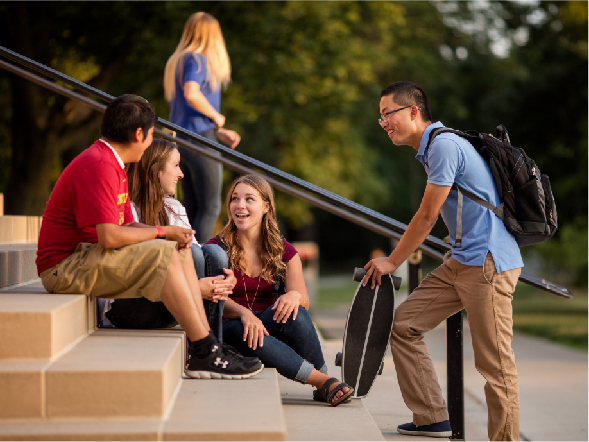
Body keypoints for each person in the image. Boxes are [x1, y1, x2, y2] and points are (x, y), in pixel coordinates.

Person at [35, 94, 262, 380]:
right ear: (138, 133)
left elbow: (128, 225)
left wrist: (173, 236)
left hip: (83, 256)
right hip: (62, 267)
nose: (151, 140)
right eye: (151, 133)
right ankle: (206, 350)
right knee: (164, 248)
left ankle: (207, 346)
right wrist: (163, 231)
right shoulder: (99, 165)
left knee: (174, 246)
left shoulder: (112, 164)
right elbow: (109, 237)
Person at [363, 81, 523, 440]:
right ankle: (432, 417)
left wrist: (392, 261)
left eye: (387, 114)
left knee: (495, 366)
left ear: (413, 112)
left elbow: (427, 216)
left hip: (488, 264)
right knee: (403, 325)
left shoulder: (445, 146)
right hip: (461, 261)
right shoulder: (434, 148)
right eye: (381, 118)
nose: (384, 122)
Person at [205, 174, 354, 406]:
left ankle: (324, 379)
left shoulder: (284, 251)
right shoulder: (215, 249)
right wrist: (245, 314)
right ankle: (323, 380)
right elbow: (212, 296)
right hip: (231, 326)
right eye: (235, 198)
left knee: (296, 312)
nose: (240, 205)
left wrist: (295, 296)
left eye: (249, 199)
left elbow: (304, 301)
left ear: (266, 206)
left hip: (268, 325)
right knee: (247, 330)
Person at [102, 138, 233, 342]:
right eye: (176, 165)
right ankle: (205, 346)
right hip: (130, 307)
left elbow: (199, 257)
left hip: (165, 307)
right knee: (192, 253)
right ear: (156, 169)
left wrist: (223, 280)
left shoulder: (173, 207)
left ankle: (213, 343)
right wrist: (197, 288)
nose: (181, 173)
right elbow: (131, 275)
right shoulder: (125, 207)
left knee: (215, 254)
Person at [164, 11, 241, 244]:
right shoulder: (198, 59)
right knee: (210, 208)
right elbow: (192, 94)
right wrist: (217, 118)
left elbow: (186, 111)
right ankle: (200, 267)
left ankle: (188, 265)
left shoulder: (179, 61)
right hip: (200, 141)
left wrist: (218, 130)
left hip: (182, 142)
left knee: (192, 209)